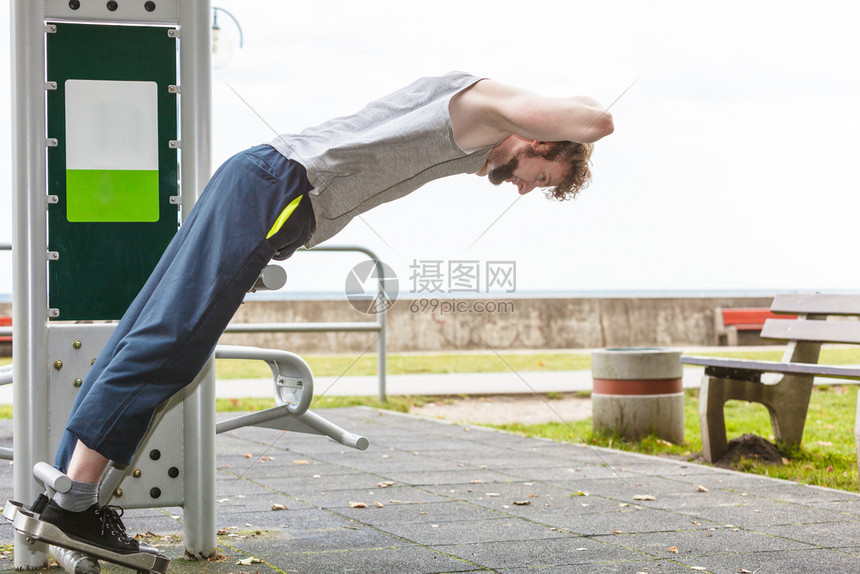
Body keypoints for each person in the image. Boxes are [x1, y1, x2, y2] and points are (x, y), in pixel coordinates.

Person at [33, 71, 614, 555]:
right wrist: (553, 120)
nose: (521, 189)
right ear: (540, 138)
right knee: (172, 342)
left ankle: (60, 498)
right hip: (277, 187)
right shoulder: (484, 104)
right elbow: (597, 120)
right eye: (539, 178)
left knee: (149, 329)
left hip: (263, 181)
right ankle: (74, 505)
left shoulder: (479, 135)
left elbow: (577, 119)